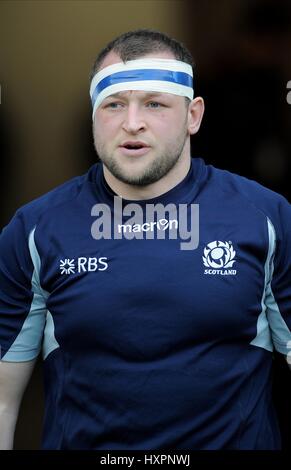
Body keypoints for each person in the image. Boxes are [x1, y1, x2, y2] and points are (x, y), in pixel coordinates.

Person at [0, 29, 290, 451]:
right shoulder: (34, 230)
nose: (131, 121)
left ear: (193, 115)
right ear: (94, 114)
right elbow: (4, 401)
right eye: (114, 104)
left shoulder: (267, 218)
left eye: (154, 104)